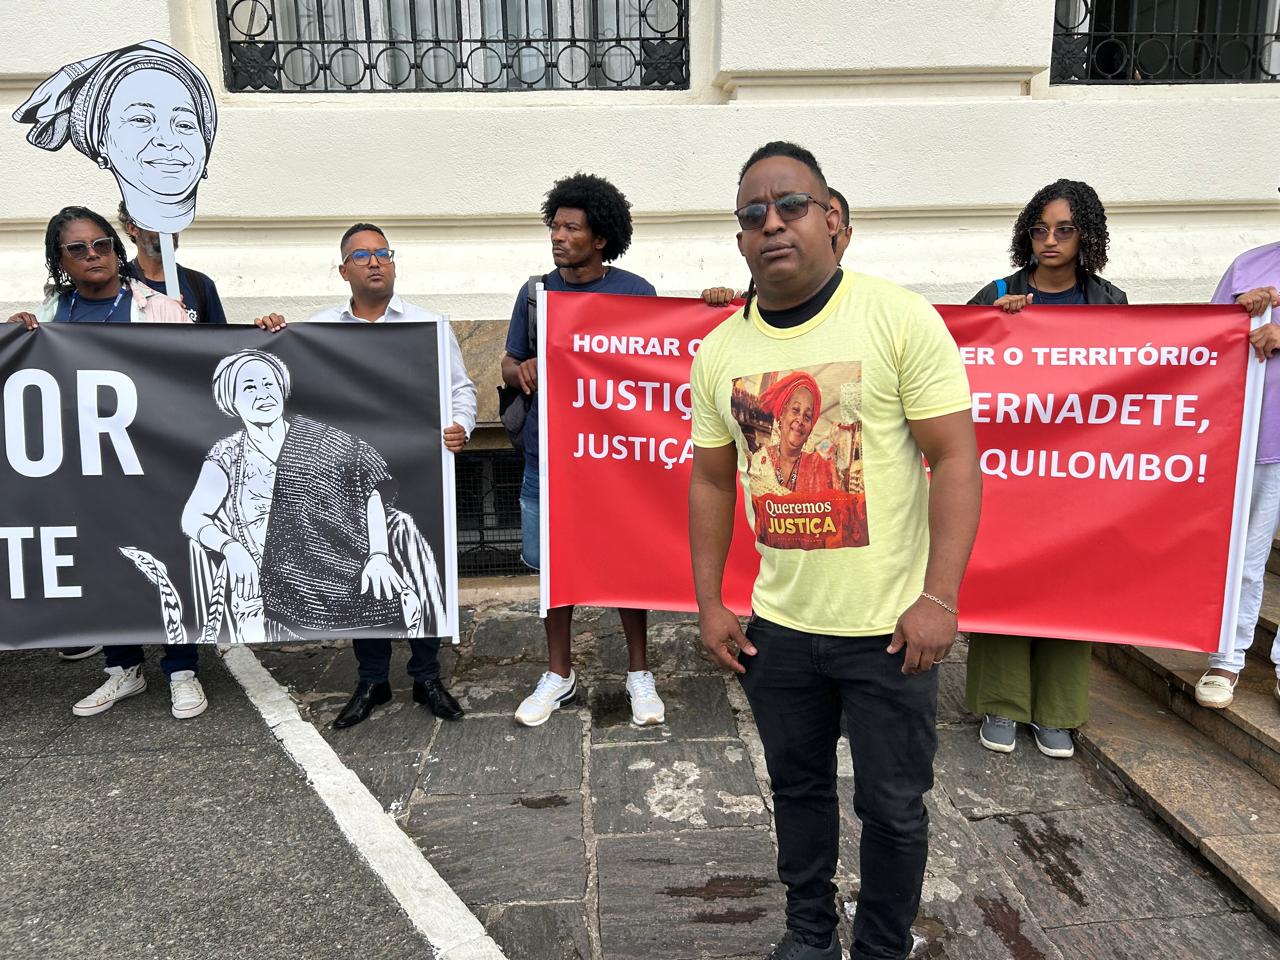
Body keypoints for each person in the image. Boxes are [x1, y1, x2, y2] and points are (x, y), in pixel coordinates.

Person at [689, 141, 980, 960]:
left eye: (790, 205)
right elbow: (711, 482)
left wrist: (940, 599)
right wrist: (712, 601)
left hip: (889, 633)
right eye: (753, 214)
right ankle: (809, 932)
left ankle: (884, 946)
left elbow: (955, 458)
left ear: (833, 219)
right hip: (778, 630)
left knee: (893, 807)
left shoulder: (897, 317)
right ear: (740, 239)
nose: (772, 223)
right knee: (799, 792)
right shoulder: (720, 353)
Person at [247, 222, 476, 727]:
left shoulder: (428, 326)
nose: (375, 262)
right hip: (346, 480)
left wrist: (460, 425)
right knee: (358, 571)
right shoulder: (319, 332)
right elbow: (283, 388)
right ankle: (372, 679)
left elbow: (461, 389)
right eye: (362, 255)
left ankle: (427, 675)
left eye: (384, 253)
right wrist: (269, 335)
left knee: (419, 565)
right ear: (343, 269)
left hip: (416, 469)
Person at [6, 205, 197, 717]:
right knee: (103, 565)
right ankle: (122, 668)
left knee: (164, 560)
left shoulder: (160, 308)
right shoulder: (49, 318)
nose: (93, 255)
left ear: (116, 249)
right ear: (60, 261)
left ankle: (183, 669)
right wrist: (12, 336)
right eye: (77, 248)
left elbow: (194, 378)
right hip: (84, 468)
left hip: (151, 464)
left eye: (102, 244)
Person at [964, 179, 1126, 759]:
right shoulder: (999, 293)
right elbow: (959, 364)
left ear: (1087, 236)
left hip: (1076, 475)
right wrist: (994, 324)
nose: (1049, 240)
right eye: (1039, 229)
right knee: (1005, 575)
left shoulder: (1109, 302)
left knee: (1067, 583)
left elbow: (1131, 383)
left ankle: (1057, 712)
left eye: (1063, 229)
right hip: (1008, 470)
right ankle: (1002, 705)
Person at [501, 173, 664, 728]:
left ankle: (639, 673)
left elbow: (659, 362)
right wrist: (519, 367)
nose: (558, 234)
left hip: (615, 464)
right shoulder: (535, 293)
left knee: (627, 566)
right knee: (553, 573)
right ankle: (558, 673)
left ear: (600, 238)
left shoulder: (635, 294)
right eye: (555, 224)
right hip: (547, 462)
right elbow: (508, 361)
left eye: (572, 227)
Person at [1194, 248, 1280, 709]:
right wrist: (1240, 317)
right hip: (1261, 436)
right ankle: (1227, 658)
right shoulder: (1250, 265)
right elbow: (1208, 344)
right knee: (1244, 556)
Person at [14, 40, 218, 234]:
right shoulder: (111, 270)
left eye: (184, 124)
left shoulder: (194, 273)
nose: (169, 140)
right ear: (101, 141)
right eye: (141, 120)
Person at [700, 186, 854, 307]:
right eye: (755, 215)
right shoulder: (750, 305)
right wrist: (718, 306)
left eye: (827, 229)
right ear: (741, 244)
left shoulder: (868, 302)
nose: (772, 226)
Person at [119, 202, 227, 325]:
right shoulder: (117, 282)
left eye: (174, 220)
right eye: (160, 219)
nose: (171, 228)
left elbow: (220, 340)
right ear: (133, 228)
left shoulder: (200, 284)